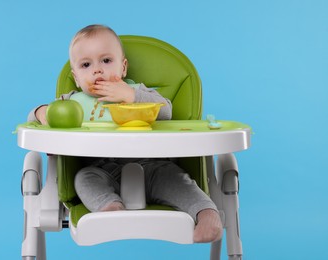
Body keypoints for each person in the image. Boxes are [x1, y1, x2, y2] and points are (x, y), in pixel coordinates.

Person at [29, 24, 222, 243]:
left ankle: (206, 213)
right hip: (102, 169)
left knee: (178, 180)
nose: (97, 70)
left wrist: (131, 95)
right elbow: (32, 119)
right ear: (76, 78)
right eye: (86, 65)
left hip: (154, 166)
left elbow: (166, 110)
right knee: (83, 178)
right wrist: (42, 112)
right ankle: (110, 208)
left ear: (123, 68)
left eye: (106, 61)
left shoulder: (136, 90)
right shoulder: (72, 102)